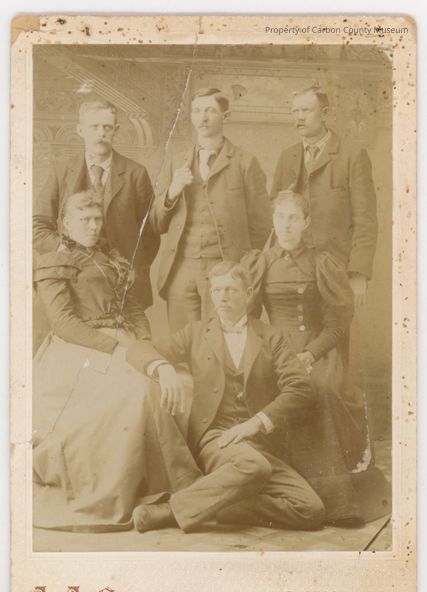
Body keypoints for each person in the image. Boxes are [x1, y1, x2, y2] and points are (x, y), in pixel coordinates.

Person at [33, 191, 202, 532]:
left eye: (97, 219)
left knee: (181, 381)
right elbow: (64, 324)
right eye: (84, 220)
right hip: (80, 349)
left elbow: (135, 309)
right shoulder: (54, 261)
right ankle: (156, 488)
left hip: (125, 341)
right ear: (66, 223)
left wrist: (143, 344)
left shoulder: (111, 258)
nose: (93, 226)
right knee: (138, 391)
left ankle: (168, 485)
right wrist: (116, 348)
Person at [128, 261, 325, 533]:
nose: (222, 297)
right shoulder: (196, 333)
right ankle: (168, 512)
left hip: (258, 442)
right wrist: (163, 368)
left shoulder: (271, 337)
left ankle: (214, 506)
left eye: (231, 289)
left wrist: (255, 423)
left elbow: (301, 387)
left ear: (249, 294)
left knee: (310, 509)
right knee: (253, 465)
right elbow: (138, 349)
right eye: (217, 290)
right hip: (216, 437)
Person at [242, 190, 391, 526]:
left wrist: (311, 353)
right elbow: (250, 319)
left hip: (317, 349)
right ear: (273, 221)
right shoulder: (261, 262)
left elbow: (337, 323)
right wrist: (270, 352)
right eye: (281, 217)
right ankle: (275, 491)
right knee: (262, 389)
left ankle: (335, 499)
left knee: (321, 390)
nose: (286, 225)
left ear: (306, 223)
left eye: (293, 218)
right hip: (276, 350)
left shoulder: (321, 262)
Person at [150, 87, 272, 332]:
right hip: (182, 268)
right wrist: (172, 192)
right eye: (196, 111)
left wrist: (241, 264)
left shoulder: (245, 162)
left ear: (225, 116)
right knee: (183, 341)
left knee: (222, 341)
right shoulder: (176, 162)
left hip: (226, 268)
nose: (202, 118)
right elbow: (155, 223)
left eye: (210, 111)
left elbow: (262, 223)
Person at [33, 99, 159, 310]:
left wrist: (135, 266)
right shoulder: (61, 171)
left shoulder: (135, 173)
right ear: (80, 130)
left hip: (124, 283)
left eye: (107, 127)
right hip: (72, 280)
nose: (101, 133)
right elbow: (37, 224)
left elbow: (150, 232)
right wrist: (62, 249)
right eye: (94, 127)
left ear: (116, 130)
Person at [270, 85, 378, 307]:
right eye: (295, 111)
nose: (299, 117)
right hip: (293, 267)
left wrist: (358, 272)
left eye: (306, 110)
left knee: (334, 327)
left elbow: (365, 219)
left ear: (325, 113)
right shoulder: (287, 157)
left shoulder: (352, 156)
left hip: (336, 267)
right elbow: (273, 210)